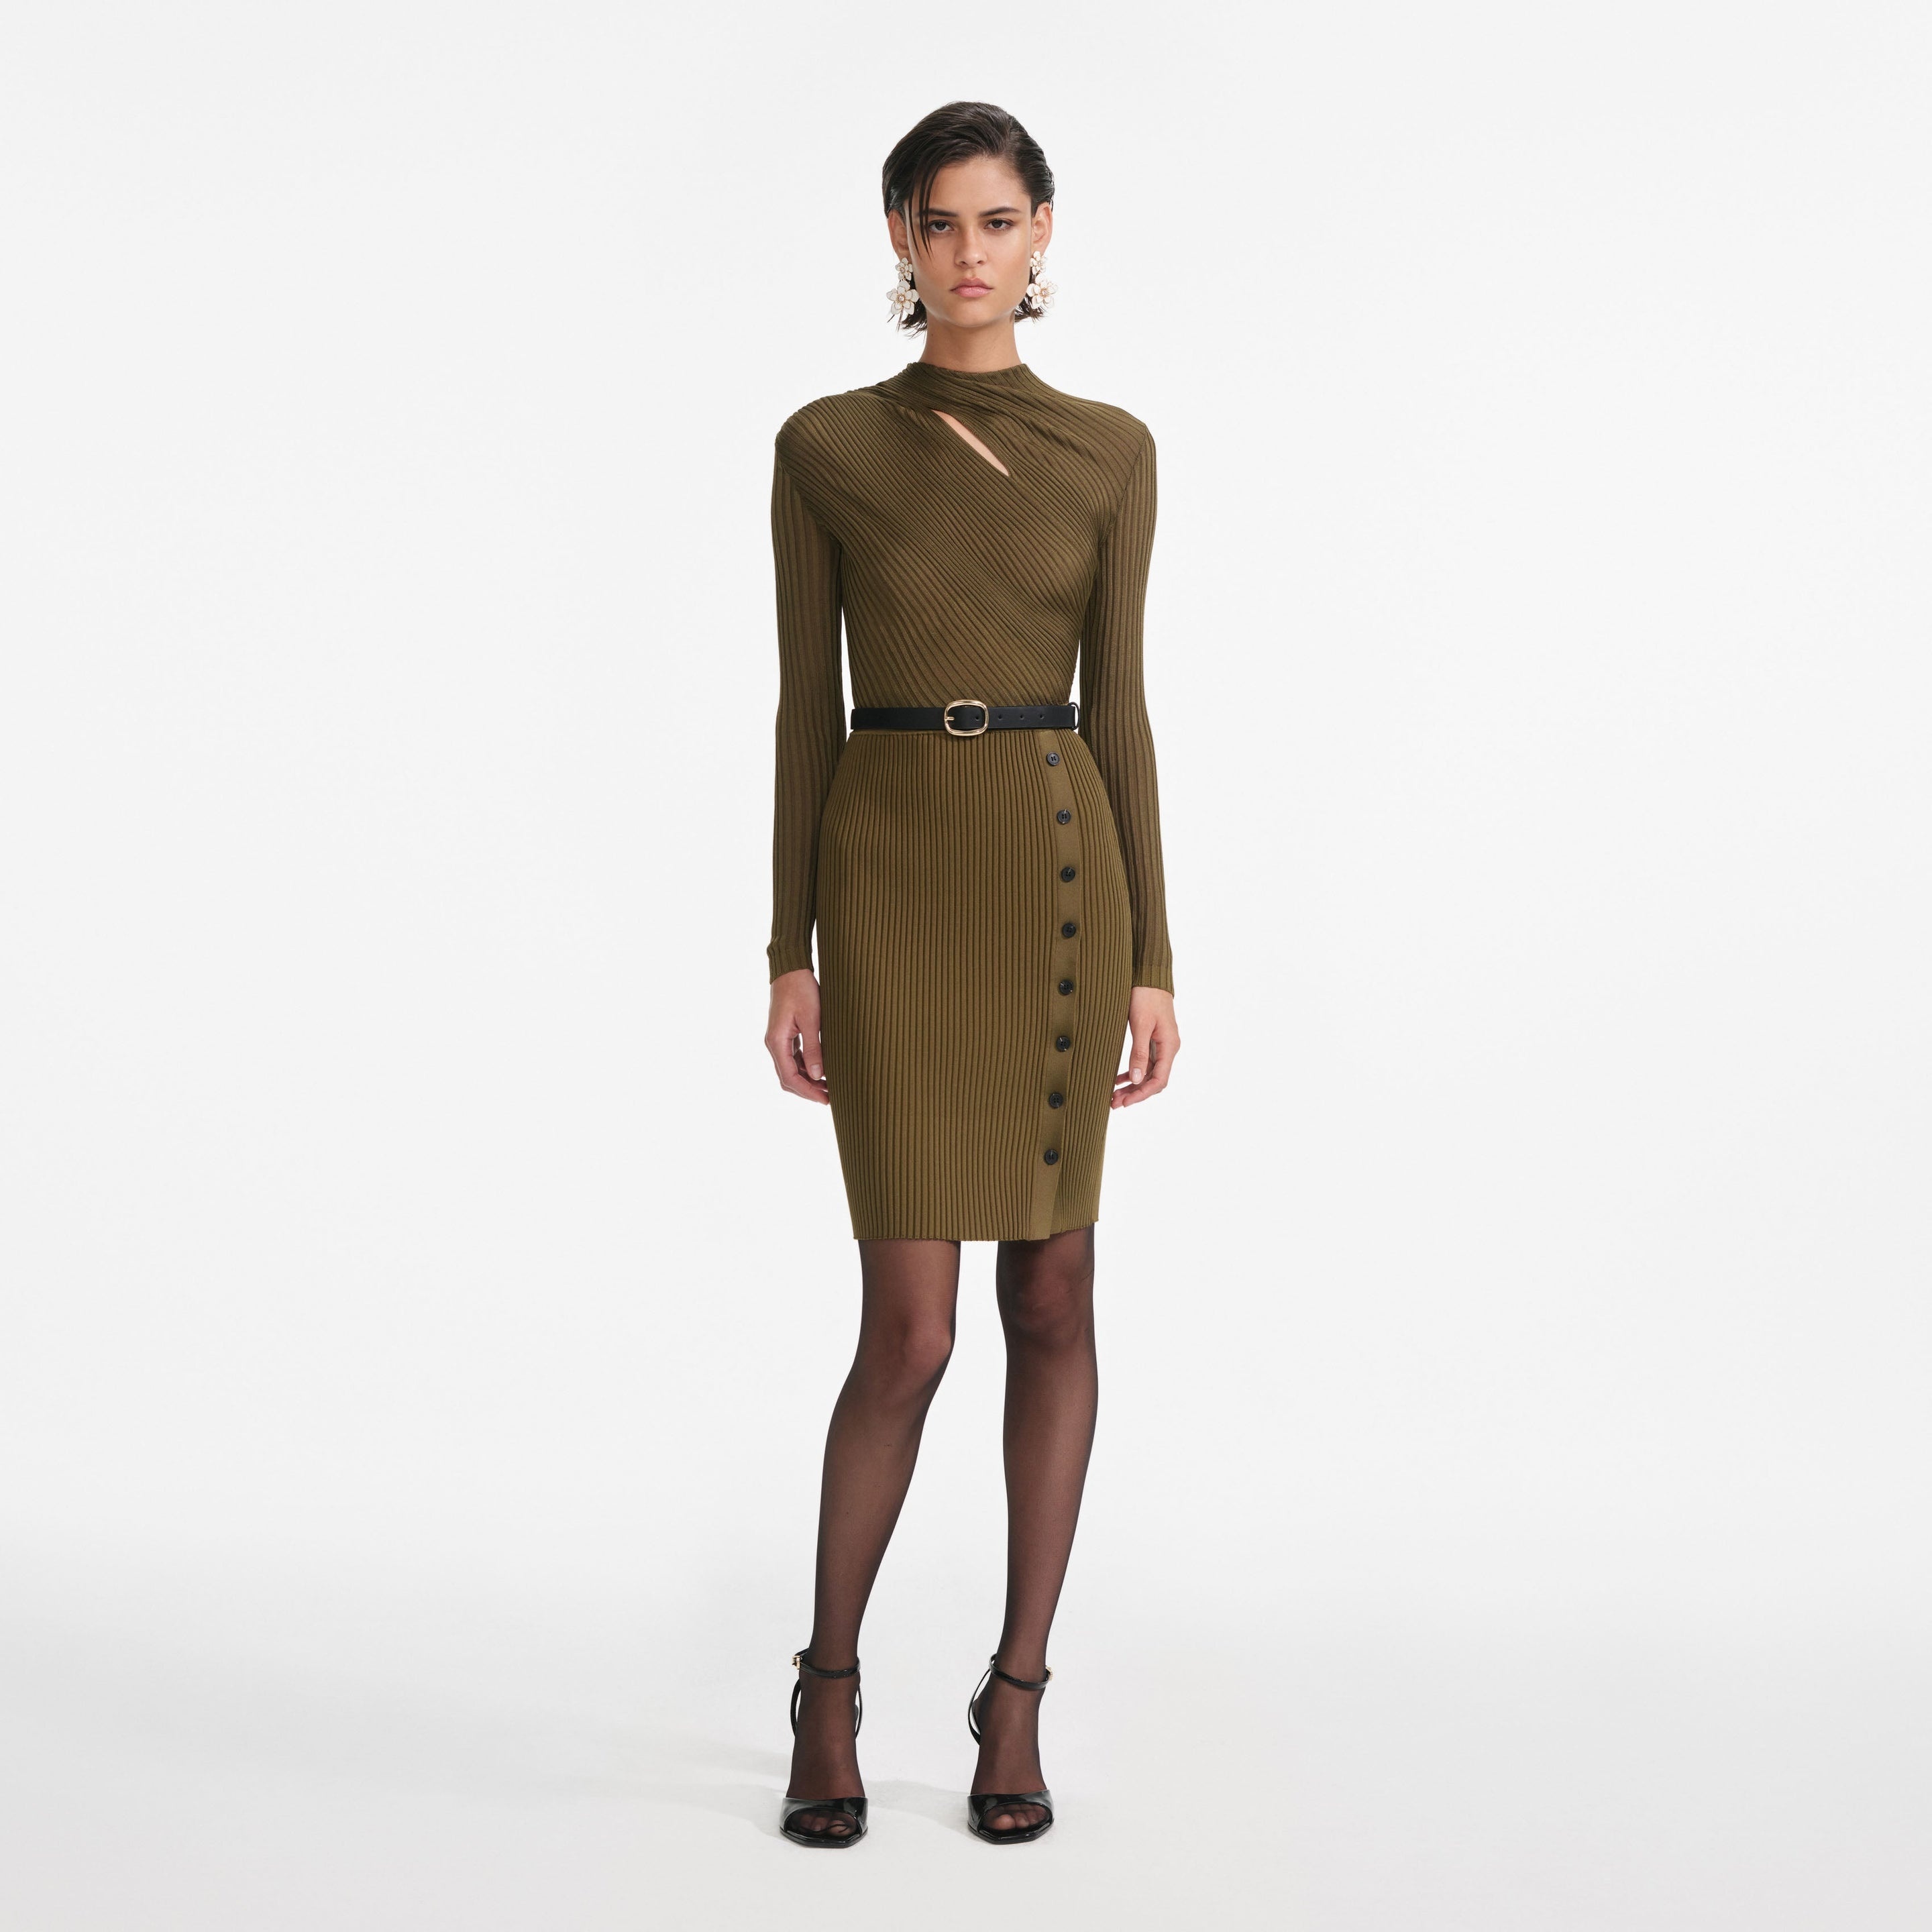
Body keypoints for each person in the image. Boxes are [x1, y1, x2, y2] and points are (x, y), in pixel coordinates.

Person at [762, 100, 1180, 1847]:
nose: (969, 254)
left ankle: (1016, 1697)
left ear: (1043, 233)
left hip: (1059, 868)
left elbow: (1123, 705)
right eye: (938, 223)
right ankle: (828, 1685)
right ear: (898, 238)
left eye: (998, 221)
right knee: (912, 1329)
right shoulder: (825, 446)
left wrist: (1157, 956)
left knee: (1054, 1298)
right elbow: (803, 702)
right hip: (892, 875)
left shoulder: (1110, 450)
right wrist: (787, 947)